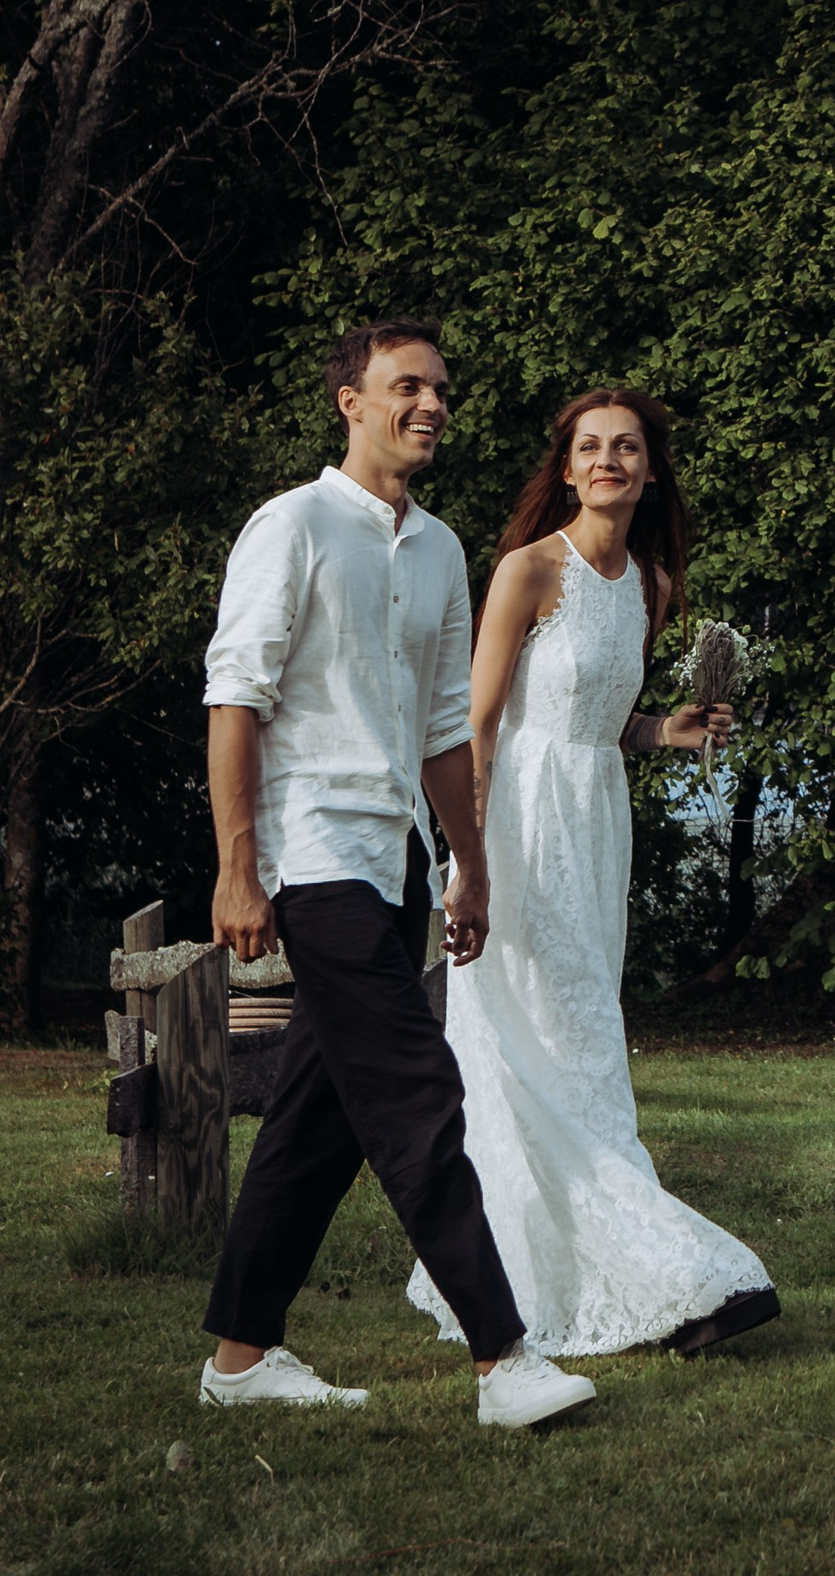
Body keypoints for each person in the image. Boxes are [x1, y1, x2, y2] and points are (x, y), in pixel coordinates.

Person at [197, 318, 595, 1427]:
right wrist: (240, 869)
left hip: (399, 863)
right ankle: (502, 1360)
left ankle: (239, 1359)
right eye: (405, 387)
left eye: (440, 391)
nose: (430, 405)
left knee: (319, 1118)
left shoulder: (442, 550)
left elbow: (439, 727)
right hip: (313, 853)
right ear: (351, 402)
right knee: (420, 1091)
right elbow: (236, 701)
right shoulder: (291, 526)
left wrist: (468, 864)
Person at [405, 389, 779, 1357]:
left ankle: (605, 1264)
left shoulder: (650, 588)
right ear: (566, 469)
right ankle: (657, 1272)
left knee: (582, 1038)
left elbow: (603, 718)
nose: (609, 460)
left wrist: (671, 729)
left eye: (628, 448)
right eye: (591, 448)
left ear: (650, 470)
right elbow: (476, 726)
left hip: (594, 824)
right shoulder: (529, 571)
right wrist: (469, 862)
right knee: (532, 1042)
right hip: (519, 824)